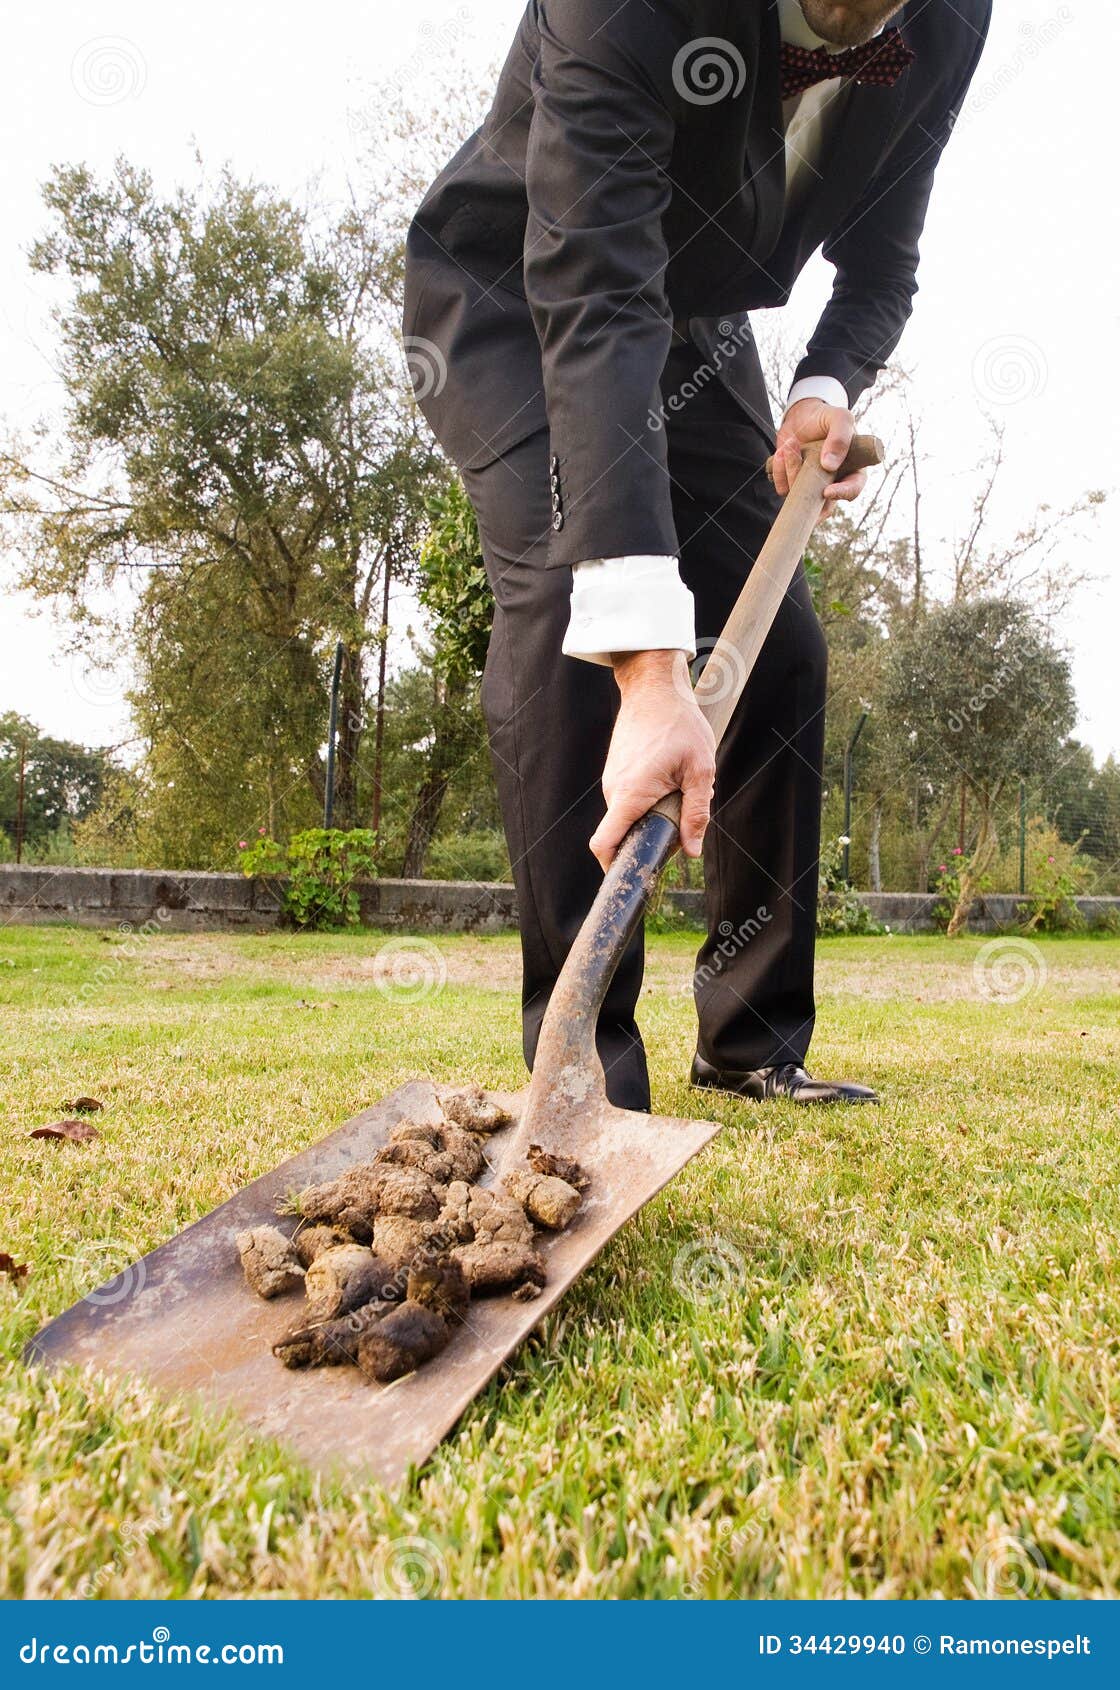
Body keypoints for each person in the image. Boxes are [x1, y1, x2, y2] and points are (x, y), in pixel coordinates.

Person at [403, 1, 990, 1110]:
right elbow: (594, 290)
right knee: (566, 608)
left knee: (781, 655)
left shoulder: (952, 18)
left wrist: (823, 387)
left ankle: (750, 1042)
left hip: (693, 322)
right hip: (518, 300)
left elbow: (882, 260)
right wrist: (648, 670)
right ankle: (586, 1077)